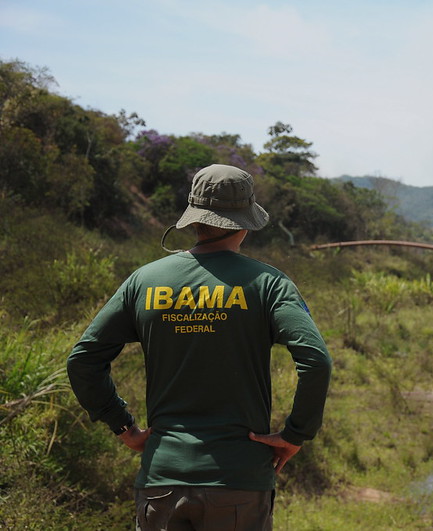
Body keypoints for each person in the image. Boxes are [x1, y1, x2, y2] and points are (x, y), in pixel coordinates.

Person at [67, 164, 332, 530]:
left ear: (194, 219)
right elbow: (316, 361)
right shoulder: (269, 284)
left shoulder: (144, 281)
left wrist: (123, 426)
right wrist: (295, 434)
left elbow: (83, 360)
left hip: (161, 479)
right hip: (239, 480)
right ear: (245, 222)